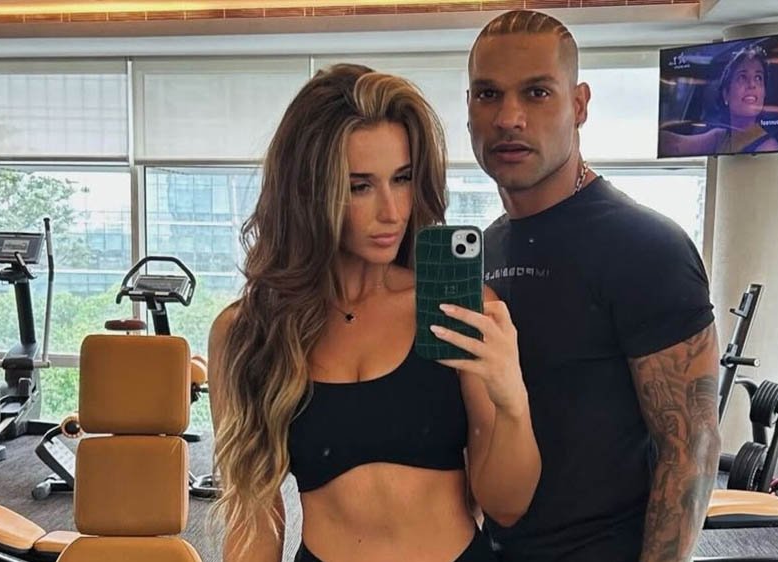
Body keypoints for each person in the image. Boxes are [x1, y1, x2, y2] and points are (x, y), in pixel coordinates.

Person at [208, 63, 541, 562]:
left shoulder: (455, 306)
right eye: (359, 186)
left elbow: (507, 507)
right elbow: (254, 518)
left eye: (401, 179)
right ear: (307, 193)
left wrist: (512, 400)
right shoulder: (248, 331)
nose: (392, 211)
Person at [467, 10, 720, 562]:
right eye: (488, 94)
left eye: (537, 93)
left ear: (579, 105)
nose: (509, 117)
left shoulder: (647, 246)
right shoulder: (484, 249)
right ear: (469, 109)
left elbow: (690, 448)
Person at [658, 46, 778, 156]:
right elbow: (676, 146)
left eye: (758, 78)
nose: (752, 84)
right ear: (726, 94)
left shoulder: (769, 147)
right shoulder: (721, 137)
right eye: (742, 77)